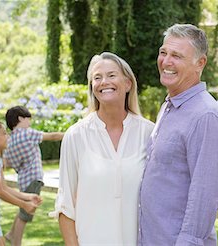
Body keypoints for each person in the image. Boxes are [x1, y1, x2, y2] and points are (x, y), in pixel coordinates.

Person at [138, 23, 218, 245]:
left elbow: (204, 195)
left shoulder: (205, 116)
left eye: (177, 56)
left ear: (200, 63)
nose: (166, 62)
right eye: (163, 52)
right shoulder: (170, 106)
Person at [53, 52, 154, 245]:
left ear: (128, 83)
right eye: (97, 78)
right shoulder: (76, 135)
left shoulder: (149, 133)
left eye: (111, 75)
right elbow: (65, 206)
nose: (104, 81)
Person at [3, 106, 64, 245]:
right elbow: (52, 136)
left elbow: (9, 163)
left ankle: (11, 234)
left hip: (23, 180)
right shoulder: (27, 133)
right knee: (25, 214)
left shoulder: (10, 141)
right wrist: (71, 133)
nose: (30, 123)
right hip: (33, 178)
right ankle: (15, 241)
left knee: (23, 209)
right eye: (28, 119)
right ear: (20, 118)